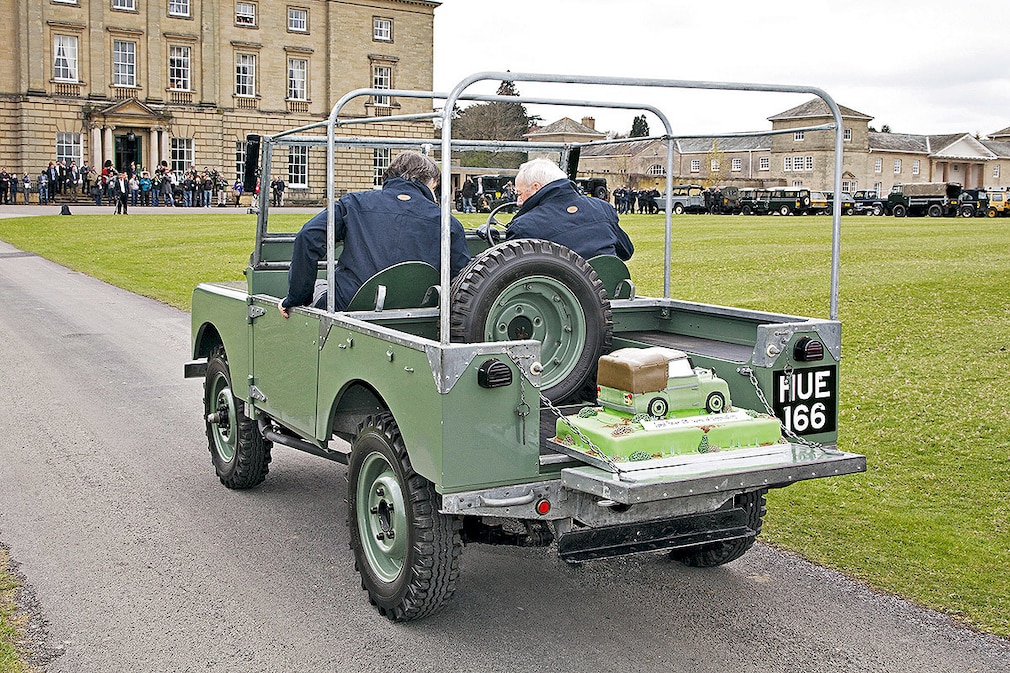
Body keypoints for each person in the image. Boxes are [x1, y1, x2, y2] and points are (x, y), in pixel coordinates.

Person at [279, 151, 471, 316]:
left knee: (319, 285)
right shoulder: (448, 222)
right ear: (429, 182)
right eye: (435, 188)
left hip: (349, 304)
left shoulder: (353, 203)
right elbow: (461, 279)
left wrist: (297, 298)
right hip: (420, 309)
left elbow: (308, 236)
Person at [504, 158, 633, 261]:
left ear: (535, 188)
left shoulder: (523, 227)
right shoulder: (604, 208)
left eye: (520, 194)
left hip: (558, 287)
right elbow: (626, 251)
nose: (518, 202)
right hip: (607, 285)